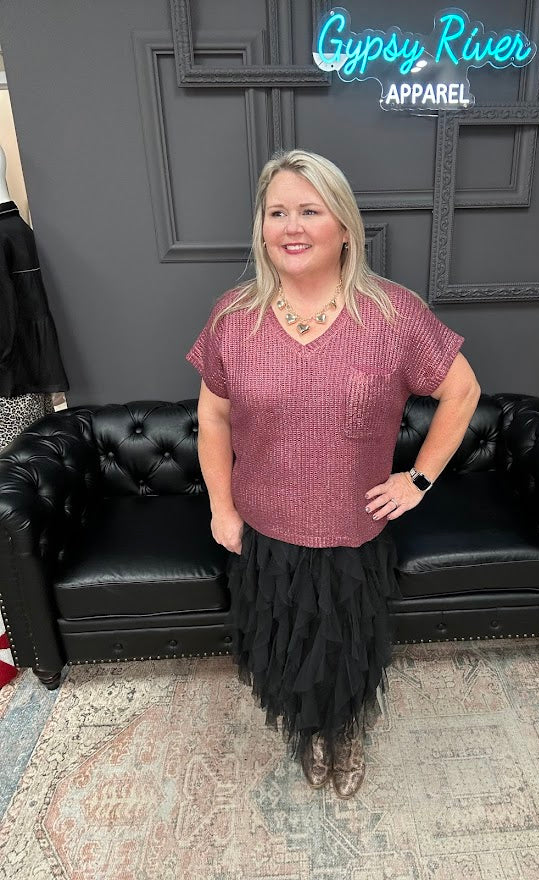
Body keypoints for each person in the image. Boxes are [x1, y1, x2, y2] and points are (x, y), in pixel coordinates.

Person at [186, 149, 480, 799]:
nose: (291, 226)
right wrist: (221, 508)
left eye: (309, 211)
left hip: (353, 530)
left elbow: (461, 393)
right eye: (277, 212)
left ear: (344, 227)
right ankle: (307, 728)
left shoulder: (393, 315)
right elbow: (212, 417)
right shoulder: (234, 317)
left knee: (345, 647)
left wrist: (418, 479)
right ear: (261, 227)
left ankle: (339, 731)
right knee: (284, 643)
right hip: (266, 528)